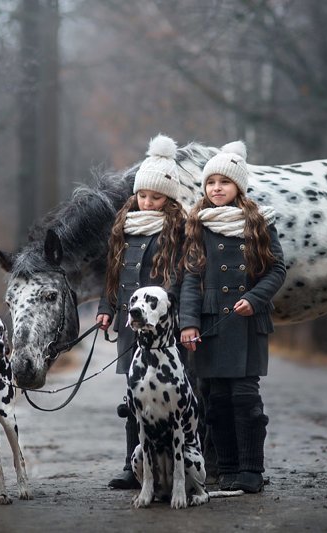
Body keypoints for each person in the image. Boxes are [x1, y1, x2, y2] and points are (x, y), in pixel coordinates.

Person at [179, 140, 286, 493]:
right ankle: (226, 470)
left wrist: (254, 299)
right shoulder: (197, 225)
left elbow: (277, 270)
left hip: (246, 323)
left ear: (239, 186)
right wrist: (189, 323)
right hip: (210, 325)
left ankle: (252, 471)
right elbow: (192, 279)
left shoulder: (259, 222)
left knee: (244, 397)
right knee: (215, 400)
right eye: (211, 183)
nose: (216, 189)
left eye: (224, 182)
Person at [96, 134, 186, 489]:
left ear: (169, 199)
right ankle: (134, 465)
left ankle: (180, 462)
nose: (148, 202)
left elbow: (180, 278)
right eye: (143, 195)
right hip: (131, 327)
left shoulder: (177, 231)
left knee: (170, 394)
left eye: (156, 197)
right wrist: (107, 308)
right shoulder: (124, 228)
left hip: (163, 331)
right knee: (134, 394)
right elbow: (113, 276)